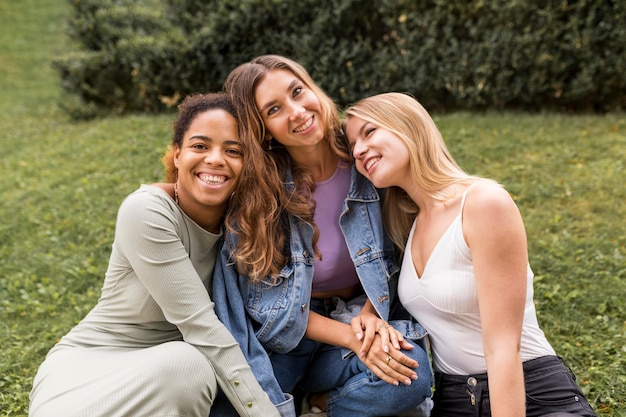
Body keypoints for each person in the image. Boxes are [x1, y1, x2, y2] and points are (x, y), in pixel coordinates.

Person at [28, 93, 290, 417]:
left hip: (166, 376)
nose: (215, 159)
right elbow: (201, 326)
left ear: (247, 164)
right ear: (177, 155)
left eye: (233, 151)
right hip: (88, 372)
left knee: (187, 368)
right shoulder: (147, 211)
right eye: (200, 146)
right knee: (188, 366)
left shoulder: (242, 227)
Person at [343, 92, 598, 417]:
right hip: (453, 400)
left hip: (528, 394)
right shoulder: (407, 226)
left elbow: (503, 348)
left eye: (368, 132)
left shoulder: (482, 203)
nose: (359, 150)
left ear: (409, 126)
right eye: (352, 146)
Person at [211, 55, 432, 417]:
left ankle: (322, 405)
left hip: (356, 315)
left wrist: (370, 316)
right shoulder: (259, 193)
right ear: (261, 128)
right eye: (274, 109)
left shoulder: (366, 157)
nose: (297, 111)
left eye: (298, 92)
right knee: (231, 407)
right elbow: (267, 307)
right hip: (288, 339)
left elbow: (395, 250)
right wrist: (352, 338)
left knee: (412, 372)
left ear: (312, 87)